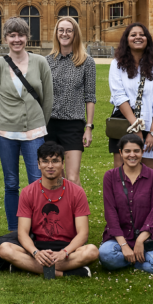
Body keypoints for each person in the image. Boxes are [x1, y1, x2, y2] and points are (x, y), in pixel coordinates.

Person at [0, 17, 55, 231]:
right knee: (11, 184)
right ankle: (14, 230)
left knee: (38, 183)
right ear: (6, 38)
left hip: (35, 132)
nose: (17, 39)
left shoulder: (40, 62)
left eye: (21, 35)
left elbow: (48, 99)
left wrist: (39, 123)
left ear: (28, 37)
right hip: (6, 132)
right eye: (12, 35)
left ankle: (39, 228)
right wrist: (5, 119)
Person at [0, 141, 98, 277]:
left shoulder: (77, 192)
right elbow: (22, 233)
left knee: (92, 251)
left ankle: (26, 267)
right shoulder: (28, 192)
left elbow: (83, 233)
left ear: (62, 164)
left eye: (55, 161)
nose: (50, 166)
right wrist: (35, 253)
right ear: (38, 164)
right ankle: (63, 274)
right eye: (45, 161)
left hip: (67, 249)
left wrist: (65, 252)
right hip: (39, 247)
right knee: (5, 249)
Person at [98, 135, 153, 274]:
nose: (132, 155)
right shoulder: (110, 176)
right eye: (127, 151)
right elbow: (110, 213)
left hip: (146, 237)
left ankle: (129, 261)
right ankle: (137, 258)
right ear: (120, 153)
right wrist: (124, 245)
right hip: (118, 238)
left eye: (136, 151)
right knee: (105, 255)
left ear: (142, 152)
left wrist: (140, 241)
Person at [107, 23, 153, 173]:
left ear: (147, 39)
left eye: (141, 34)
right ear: (126, 40)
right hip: (125, 124)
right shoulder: (117, 65)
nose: (138, 37)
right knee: (123, 177)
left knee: (151, 178)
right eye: (133, 35)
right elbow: (119, 97)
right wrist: (136, 127)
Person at [45, 16, 96, 187]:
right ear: (56, 33)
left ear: (75, 34)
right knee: (55, 178)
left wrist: (88, 127)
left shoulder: (86, 62)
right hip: (49, 124)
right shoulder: (47, 61)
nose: (64, 34)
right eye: (61, 30)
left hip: (73, 125)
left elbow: (90, 97)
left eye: (69, 30)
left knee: (72, 178)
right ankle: (58, 214)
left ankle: (78, 214)